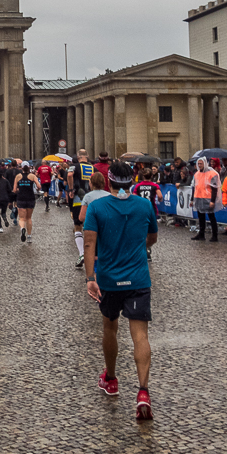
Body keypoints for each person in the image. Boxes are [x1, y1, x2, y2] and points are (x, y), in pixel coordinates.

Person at [83, 162, 158, 420]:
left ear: (110, 181)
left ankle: (111, 379)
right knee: (140, 336)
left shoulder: (96, 207)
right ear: (132, 181)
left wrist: (90, 278)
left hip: (109, 280)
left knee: (110, 328)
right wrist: (136, 246)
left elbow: (89, 243)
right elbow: (152, 238)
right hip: (137, 278)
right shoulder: (144, 205)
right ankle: (143, 392)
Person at [67, 150, 94, 267]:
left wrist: (71, 188)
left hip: (79, 198)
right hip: (92, 199)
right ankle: (93, 253)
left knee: (78, 226)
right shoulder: (94, 168)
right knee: (92, 226)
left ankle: (82, 253)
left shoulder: (73, 166)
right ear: (87, 157)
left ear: (78, 157)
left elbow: (69, 175)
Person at [190, 158, 220, 242]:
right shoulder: (196, 174)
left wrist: (212, 201)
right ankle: (201, 234)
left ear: (205, 164)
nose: (199, 165)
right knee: (201, 217)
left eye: (201, 164)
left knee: (211, 217)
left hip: (208, 198)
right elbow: (194, 187)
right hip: (199, 197)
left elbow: (214, 189)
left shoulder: (212, 174)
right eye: (198, 164)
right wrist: (192, 199)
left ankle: (215, 235)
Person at [12, 164, 40, 242]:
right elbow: (39, 186)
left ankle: (22, 228)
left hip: (21, 198)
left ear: (22, 168)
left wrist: (18, 189)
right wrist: (37, 189)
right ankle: (29, 236)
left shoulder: (18, 176)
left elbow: (14, 190)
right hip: (30, 198)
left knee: (21, 218)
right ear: (29, 167)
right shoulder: (32, 176)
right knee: (29, 218)